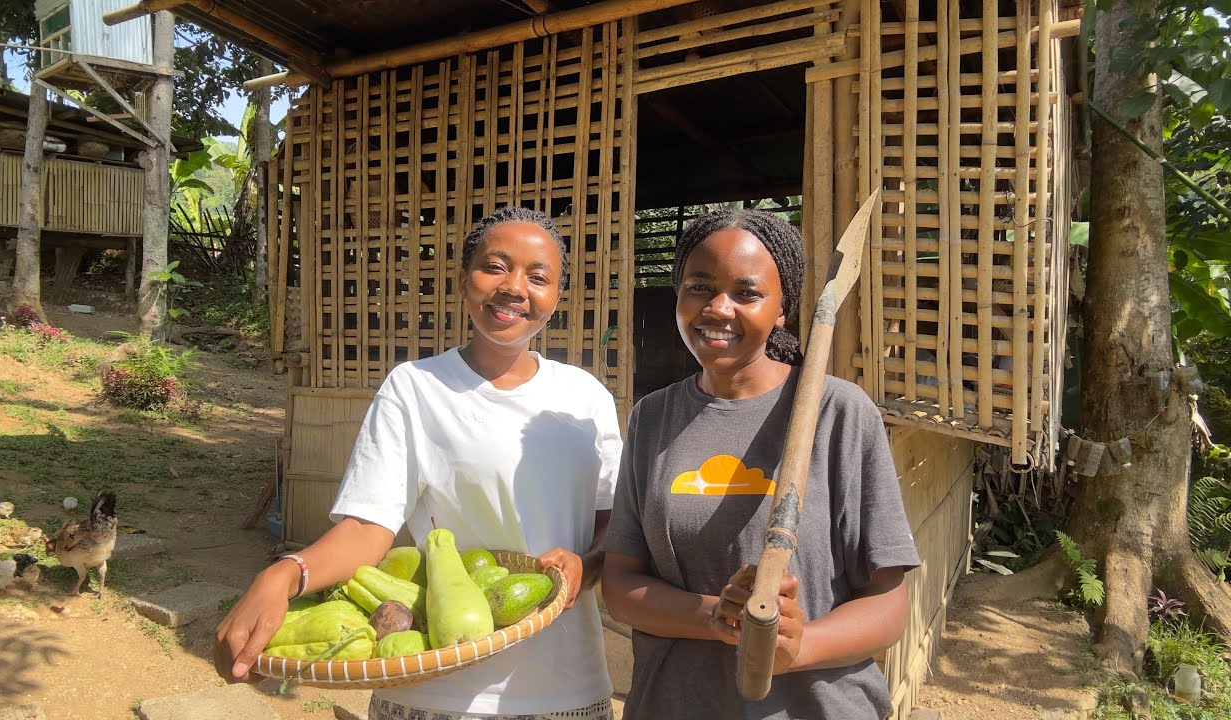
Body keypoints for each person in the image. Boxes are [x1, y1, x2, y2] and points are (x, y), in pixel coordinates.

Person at [214, 206, 621, 720]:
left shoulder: (584, 397)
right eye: (495, 267)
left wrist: (589, 565)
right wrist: (285, 574)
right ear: (462, 280)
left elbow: (613, 524)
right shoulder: (414, 387)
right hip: (433, 687)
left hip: (567, 687)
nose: (515, 287)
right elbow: (367, 527)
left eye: (537, 277)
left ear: (555, 297)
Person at [601, 209, 920, 720]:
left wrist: (798, 645)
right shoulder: (652, 418)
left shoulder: (838, 412)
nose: (718, 308)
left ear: (782, 310)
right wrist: (717, 618)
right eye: (699, 287)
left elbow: (888, 606)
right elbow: (620, 584)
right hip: (675, 705)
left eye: (746, 293)